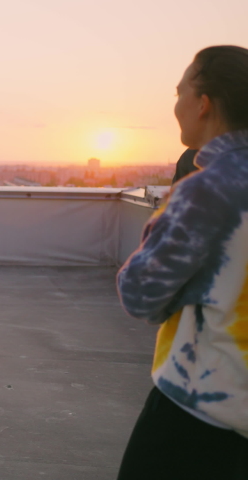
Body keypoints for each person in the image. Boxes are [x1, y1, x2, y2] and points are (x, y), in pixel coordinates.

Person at [116, 46, 248, 479]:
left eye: (180, 91)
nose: (176, 105)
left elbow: (141, 295)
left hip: (200, 412)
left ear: (203, 103)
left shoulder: (206, 190)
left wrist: (166, 214)